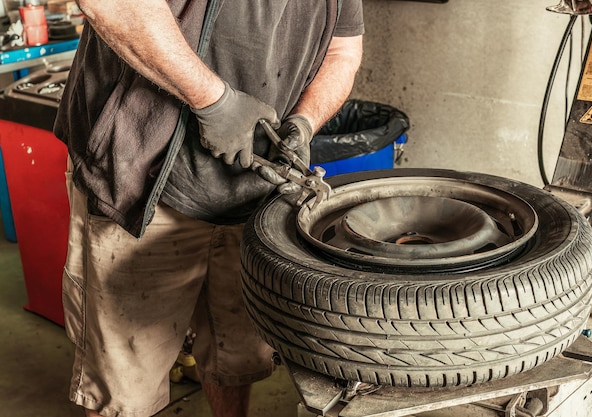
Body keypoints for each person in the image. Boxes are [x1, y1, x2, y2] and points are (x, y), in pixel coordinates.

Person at [53, 0, 364, 416]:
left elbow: (343, 51)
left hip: (252, 196)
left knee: (234, 356)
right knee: (124, 387)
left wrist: (305, 120)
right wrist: (213, 100)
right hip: (145, 181)